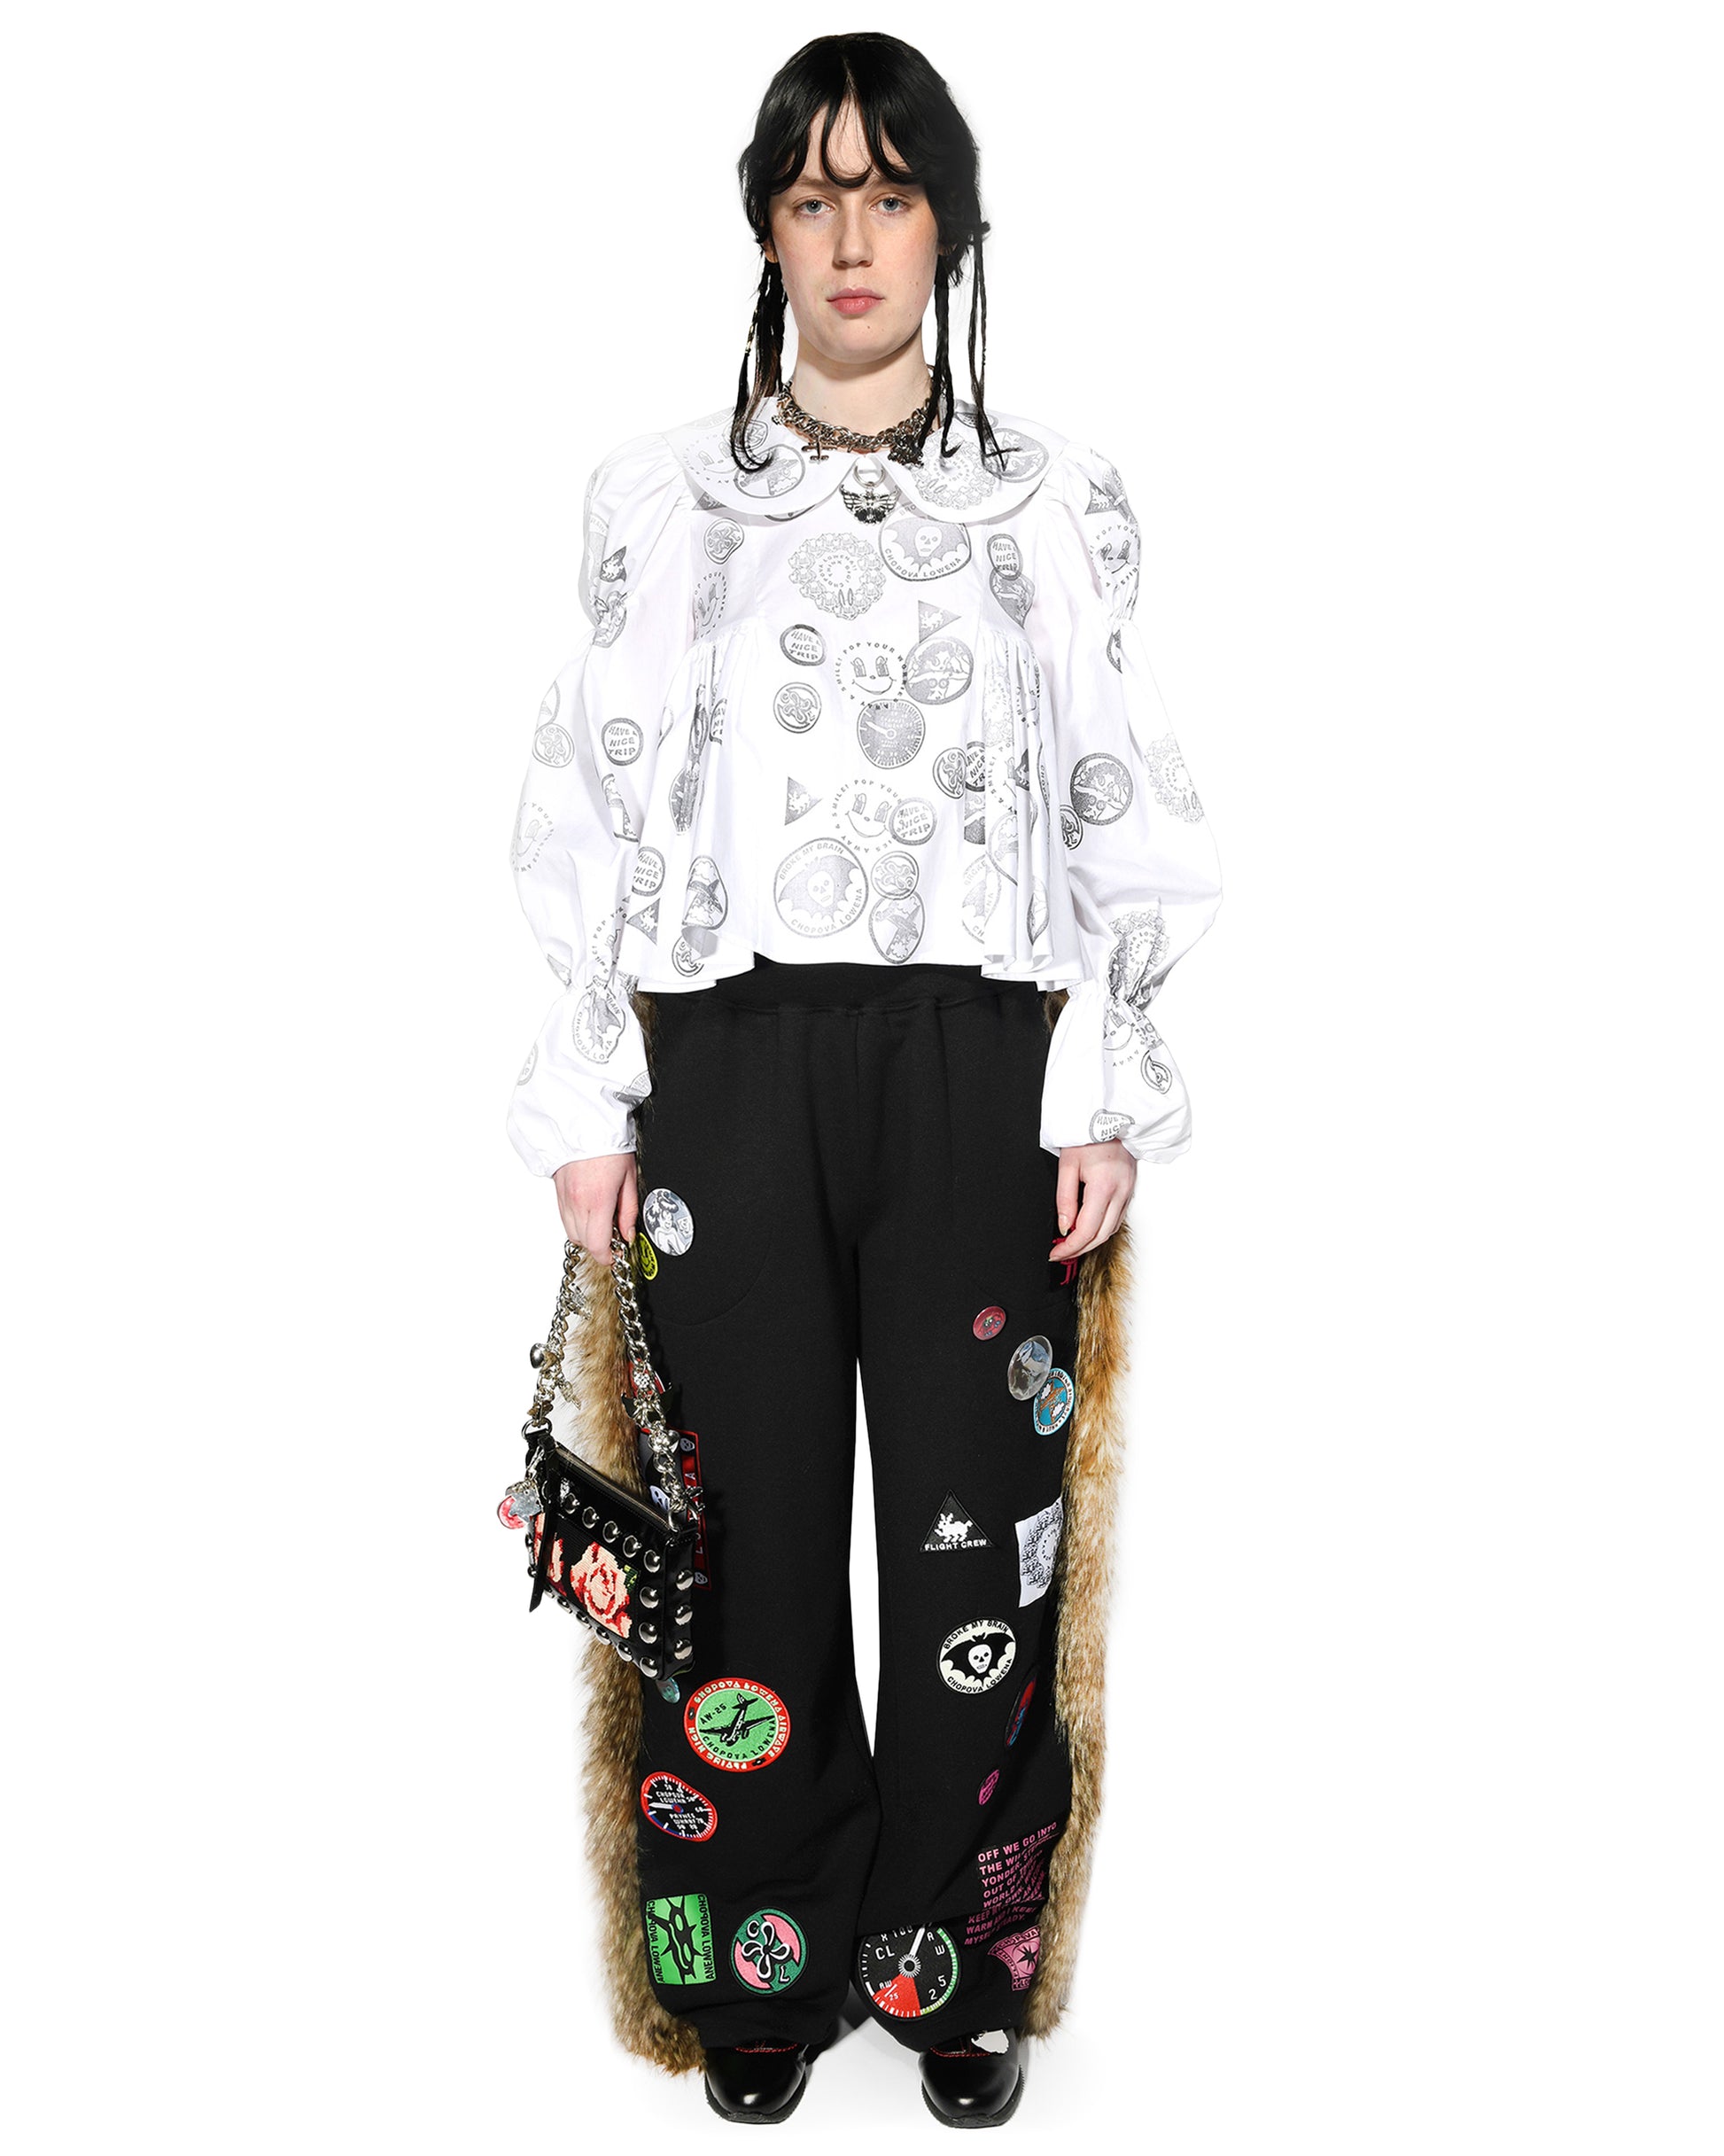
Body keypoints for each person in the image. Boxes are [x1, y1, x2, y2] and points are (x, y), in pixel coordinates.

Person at [505, 32, 1222, 2130]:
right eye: (813, 195)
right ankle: (760, 1943)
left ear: (947, 228)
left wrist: (1103, 1076)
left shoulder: (1052, 500)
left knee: (972, 1535)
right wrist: (585, 1097)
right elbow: (586, 798)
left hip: (977, 1064)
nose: (850, 237)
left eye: (888, 194)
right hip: (723, 1060)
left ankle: (947, 1954)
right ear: (765, 226)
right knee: (737, 1530)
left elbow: (1120, 788)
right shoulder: (660, 500)